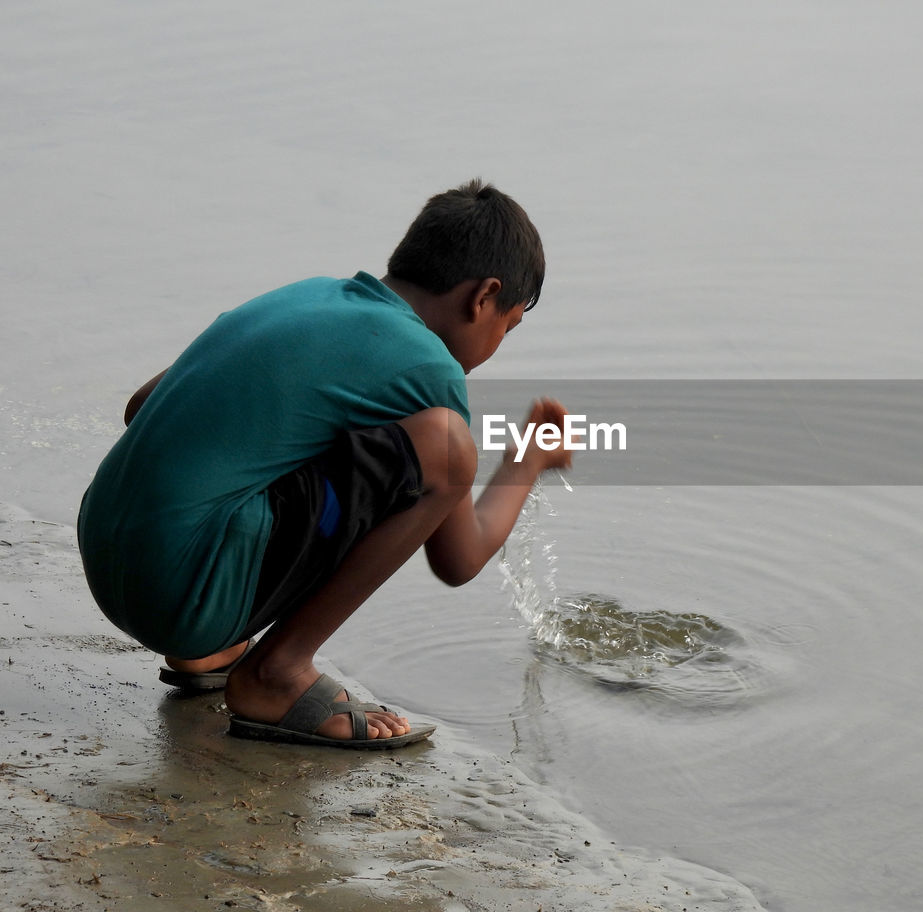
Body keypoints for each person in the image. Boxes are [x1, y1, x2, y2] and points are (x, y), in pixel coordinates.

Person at [78, 179, 570, 750]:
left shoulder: (307, 297)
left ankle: (205, 650)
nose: (498, 341)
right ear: (483, 296)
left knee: (276, 450)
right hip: (179, 595)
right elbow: (460, 559)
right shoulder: (429, 368)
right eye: (506, 326)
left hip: (107, 560)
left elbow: (143, 406)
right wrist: (526, 461)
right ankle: (276, 673)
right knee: (446, 443)